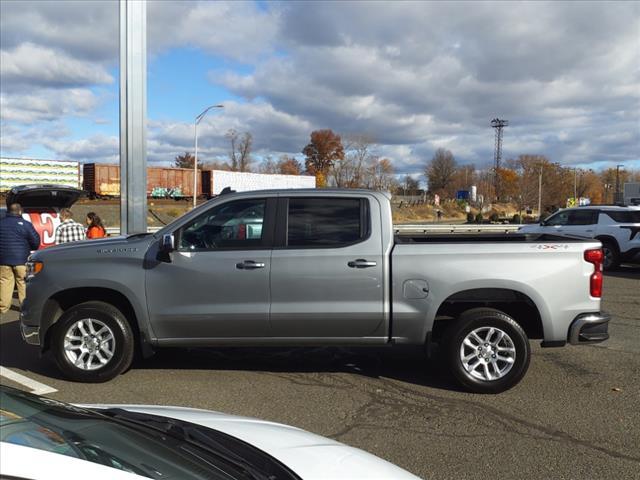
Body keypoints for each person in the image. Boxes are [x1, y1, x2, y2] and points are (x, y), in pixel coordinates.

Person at [0, 203, 40, 313]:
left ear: (8, 211)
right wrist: (27, 247)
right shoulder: (26, 224)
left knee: (4, 282)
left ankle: (3, 308)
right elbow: (36, 242)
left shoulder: (1, 223)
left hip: (3, 260)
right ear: (20, 211)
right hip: (22, 260)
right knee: (23, 283)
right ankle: (24, 308)